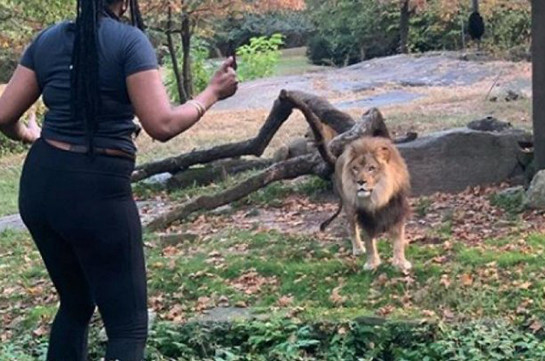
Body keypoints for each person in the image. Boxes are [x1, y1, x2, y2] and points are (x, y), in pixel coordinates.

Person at [0, 0, 237, 360]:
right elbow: (162, 125)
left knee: (76, 304)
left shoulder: (46, 39)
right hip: (95, 192)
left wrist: (28, 136)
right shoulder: (129, 41)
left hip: (40, 187)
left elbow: (4, 116)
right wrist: (212, 93)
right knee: (127, 327)